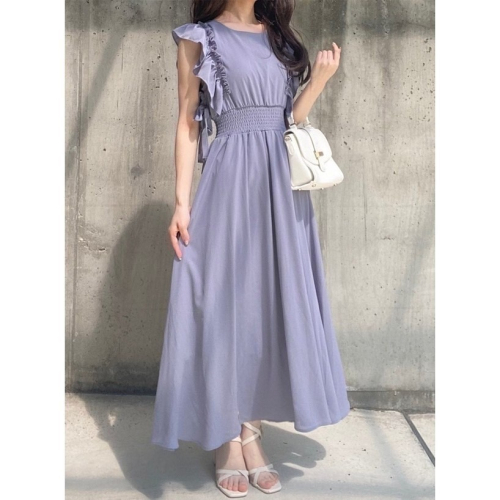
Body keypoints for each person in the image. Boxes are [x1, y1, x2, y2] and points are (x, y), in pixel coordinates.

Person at [151, 0, 350, 497]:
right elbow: (187, 122)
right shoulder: (199, 37)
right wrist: (181, 203)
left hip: (281, 190)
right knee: (224, 308)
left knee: (264, 309)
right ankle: (226, 438)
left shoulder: (278, 35)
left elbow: (289, 120)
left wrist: (319, 81)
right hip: (229, 182)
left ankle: (250, 433)